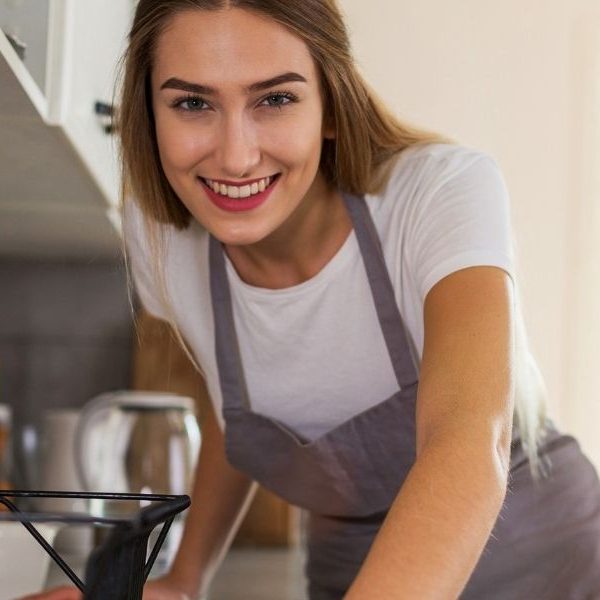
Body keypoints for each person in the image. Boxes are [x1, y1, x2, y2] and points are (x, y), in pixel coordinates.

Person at [27, 1, 600, 599]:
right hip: (348, 574)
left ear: (331, 105)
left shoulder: (439, 193)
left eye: (274, 99)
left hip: (541, 560)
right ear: (149, 114)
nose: (235, 156)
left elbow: (465, 436)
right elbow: (236, 411)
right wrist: (185, 579)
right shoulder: (163, 236)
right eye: (192, 103)